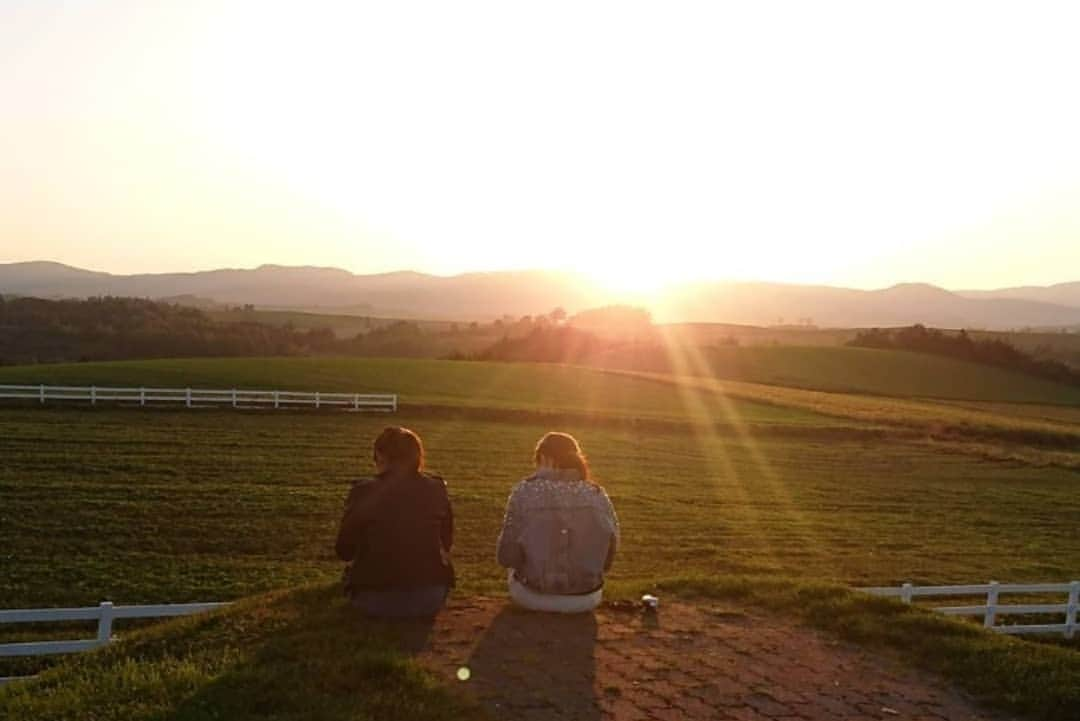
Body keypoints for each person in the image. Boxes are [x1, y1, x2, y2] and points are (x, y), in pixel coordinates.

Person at [335, 426, 454, 618]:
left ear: (380, 456)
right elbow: (446, 543)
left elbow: (344, 550)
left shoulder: (363, 491)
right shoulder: (437, 488)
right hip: (430, 597)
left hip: (374, 600)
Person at [496, 432, 619, 613]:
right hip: (587, 597)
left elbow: (506, 557)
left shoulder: (524, 491)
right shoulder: (597, 494)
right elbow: (609, 558)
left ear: (544, 458)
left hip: (533, 596)